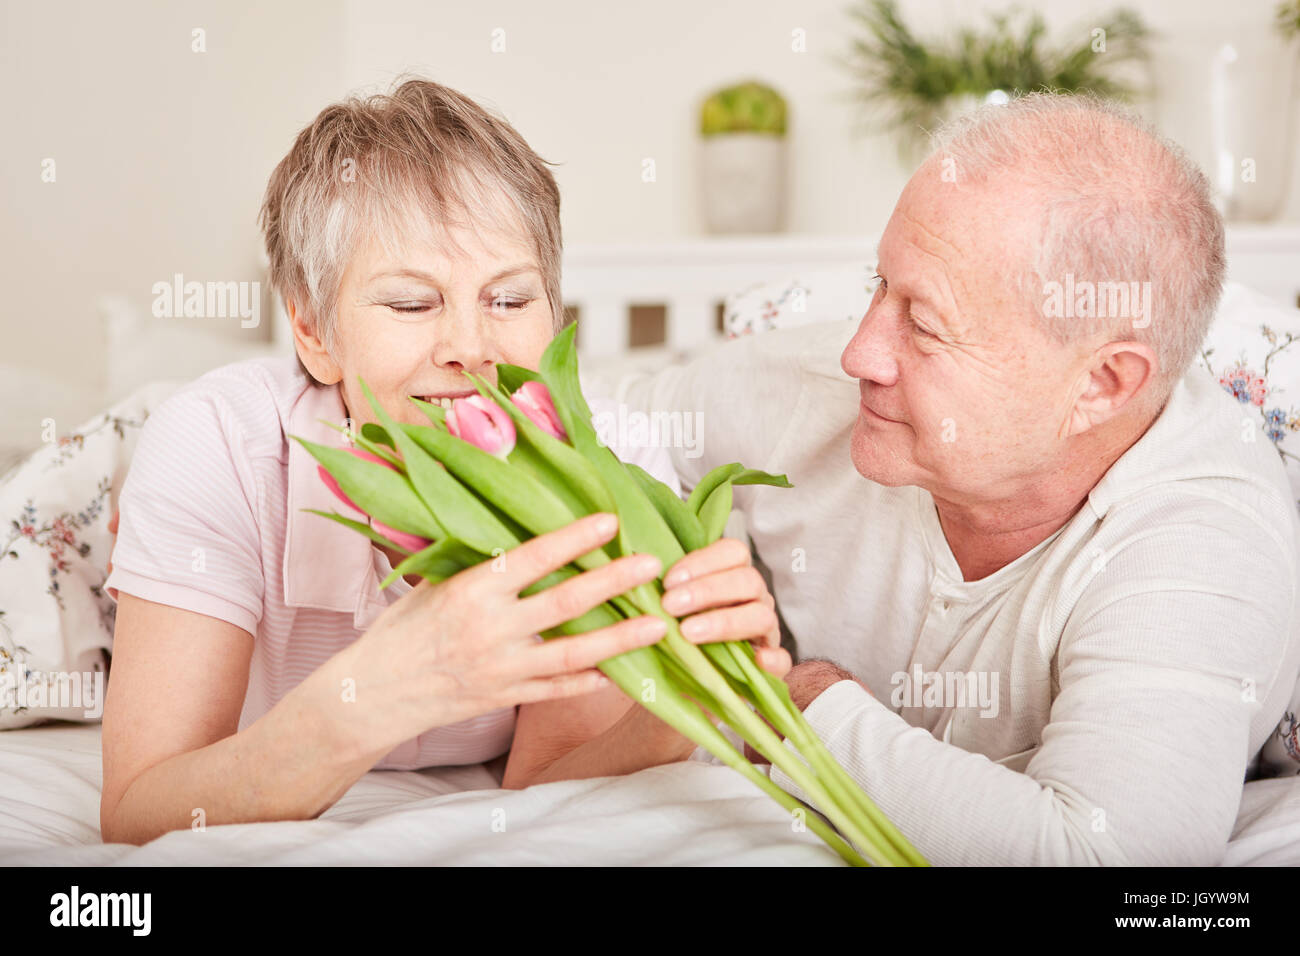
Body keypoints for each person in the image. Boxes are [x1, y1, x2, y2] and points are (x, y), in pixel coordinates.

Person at [615, 92, 1300, 865]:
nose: (861, 354)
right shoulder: (817, 391)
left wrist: (807, 704)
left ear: (1102, 384)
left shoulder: (1204, 541)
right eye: (880, 287)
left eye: (926, 326)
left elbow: (1108, 863)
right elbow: (605, 428)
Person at [99, 79, 785, 846]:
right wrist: (380, 690)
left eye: (511, 300)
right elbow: (139, 810)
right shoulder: (214, 446)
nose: (472, 348)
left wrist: (681, 711)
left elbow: (549, 780)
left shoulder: (610, 460)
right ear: (310, 327)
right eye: (411, 304)